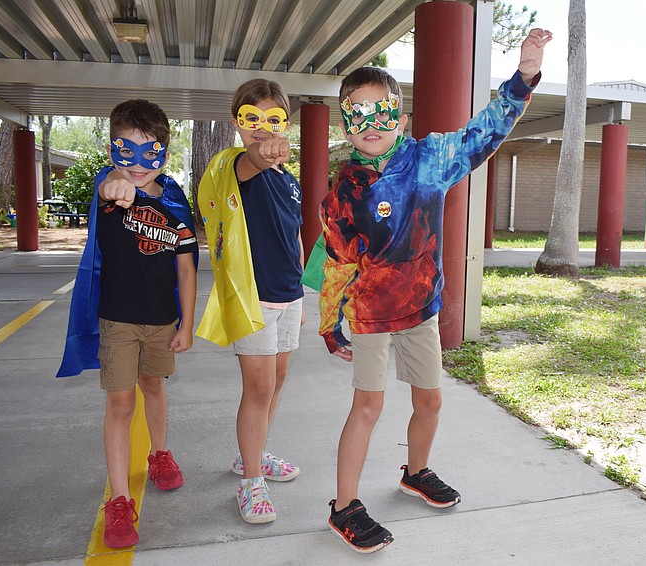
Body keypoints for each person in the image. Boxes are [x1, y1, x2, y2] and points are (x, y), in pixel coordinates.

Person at [318, 29, 552, 553]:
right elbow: (337, 261)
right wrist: (330, 322)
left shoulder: (431, 158)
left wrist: (525, 77)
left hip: (420, 308)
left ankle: (415, 471)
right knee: (368, 407)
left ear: (400, 120)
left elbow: (484, 132)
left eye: (383, 113)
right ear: (345, 126)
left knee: (430, 401)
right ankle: (344, 506)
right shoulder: (343, 193)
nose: (371, 124)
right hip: (371, 314)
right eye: (358, 113)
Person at [57, 99, 198, 548]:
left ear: (165, 155)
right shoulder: (109, 185)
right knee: (119, 405)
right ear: (110, 150)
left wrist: (187, 324)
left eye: (149, 152)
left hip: (162, 320)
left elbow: (187, 268)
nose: (138, 164)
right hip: (118, 320)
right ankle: (119, 499)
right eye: (126, 151)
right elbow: (110, 185)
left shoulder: (176, 202)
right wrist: (116, 182)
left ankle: (159, 454)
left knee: (154, 387)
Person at [195, 79, 305, 525]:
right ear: (236, 123)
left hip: (289, 295)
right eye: (251, 119)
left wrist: (302, 292)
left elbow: (294, 234)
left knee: (275, 385)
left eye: (273, 119)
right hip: (253, 298)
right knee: (257, 389)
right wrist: (265, 151)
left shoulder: (290, 182)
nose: (263, 128)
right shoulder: (240, 167)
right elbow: (256, 159)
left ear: (287, 122)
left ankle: (251, 456)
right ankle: (251, 483)